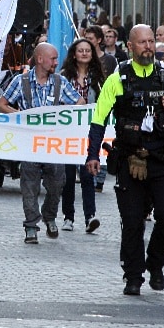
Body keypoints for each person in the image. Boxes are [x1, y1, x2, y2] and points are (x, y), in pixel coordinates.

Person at [84, 25, 164, 295]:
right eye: (142, 42)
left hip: (162, 158)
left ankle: (155, 265)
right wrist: (93, 154)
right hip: (130, 159)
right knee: (132, 222)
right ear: (130, 46)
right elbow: (99, 120)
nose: (148, 46)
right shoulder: (117, 78)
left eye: (151, 42)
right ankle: (133, 276)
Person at [0, 43, 85, 244]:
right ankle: (31, 225)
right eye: (53, 58)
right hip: (30, 143)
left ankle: (49, 215)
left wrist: (66, 115)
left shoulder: (59, 82)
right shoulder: (21, 81)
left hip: (54, 143)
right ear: (40, 59)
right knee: (29, 185)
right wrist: (20, 116)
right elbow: (1, 104)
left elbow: (79, 102)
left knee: (57, 183)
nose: (56, 62)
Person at [59, 38, 105, 233]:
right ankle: (68, 216)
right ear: (74, 54)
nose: (85, 53)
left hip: (90, 132)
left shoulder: (99, 78)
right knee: (68, 177)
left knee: (88, 174)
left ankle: (90, 216)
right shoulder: (64, 77)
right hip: (69, 132)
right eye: (81, 50)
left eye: (88, 50)